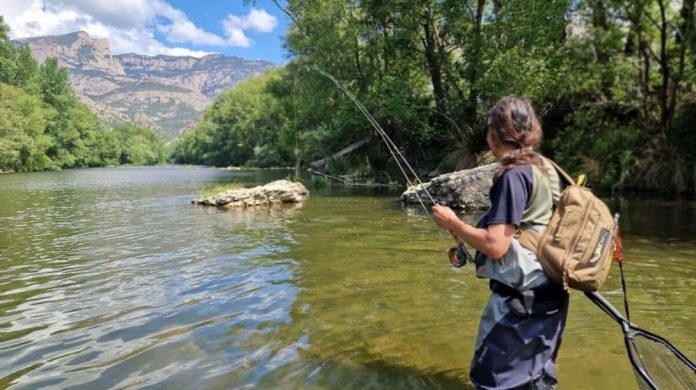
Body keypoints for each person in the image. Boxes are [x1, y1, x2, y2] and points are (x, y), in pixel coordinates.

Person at [432, 96, 569, 390]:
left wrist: (452, 223)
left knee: (490, 381)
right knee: (537, 379)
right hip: (552, 294)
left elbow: (496, 245)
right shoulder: (547, 168)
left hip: (520, 302)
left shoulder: (513, 174)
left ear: (495, 133)